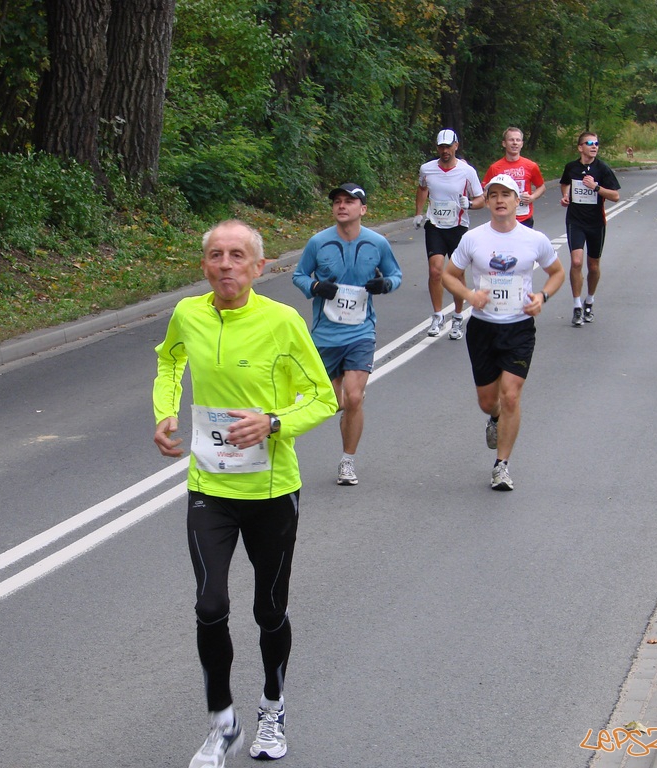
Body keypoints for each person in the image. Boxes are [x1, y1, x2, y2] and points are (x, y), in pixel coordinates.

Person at [153, 220, 337, 768]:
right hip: (210, 485)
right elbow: (169, 359)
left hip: (272, 490)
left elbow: (324, 398)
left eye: (238, 256)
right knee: (209, 604)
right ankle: (221, 722)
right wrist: (166, 411)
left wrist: (274, 422)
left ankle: (273, 708)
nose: (226, 264)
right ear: (204, 265)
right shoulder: (188, 313)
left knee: (269, 609)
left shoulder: (281, 322)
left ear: (260, 268)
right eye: (216, 255)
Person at [442, 174, 564, 491]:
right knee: (488, 401)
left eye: (506, 195)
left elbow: (557, 272)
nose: (499, 200)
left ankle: (501, 465)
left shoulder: (534, 239)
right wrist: (469, 296)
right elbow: (449, 275)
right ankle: (493, 417)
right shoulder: (473, 239)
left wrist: (542, 297)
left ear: (517, 199)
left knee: (511, 395)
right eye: (493, 194)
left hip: (519, 328)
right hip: (482, 327)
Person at [293, 183, 402, 486]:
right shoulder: (318, 242)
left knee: (354, 397)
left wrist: (385, 285)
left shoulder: (377, 242)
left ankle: (347, 461)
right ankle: (343, 409)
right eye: (337, 202)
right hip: (325, 335)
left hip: (360, 332)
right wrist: (314, 287)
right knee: (330, 401)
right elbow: (299, 274)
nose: (342, 206)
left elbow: (395, 275)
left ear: (362, 209)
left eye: (350, 201)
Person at [414, 128, 484, 340]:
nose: (445, 151)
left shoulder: (466, 171)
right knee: (435, 271)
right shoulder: (427, 169)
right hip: (435, 225)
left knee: (456, 274)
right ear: (437, 148)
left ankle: (457, 316)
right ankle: (437, 316)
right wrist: (418, 213)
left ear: (456, 146)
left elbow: (481, 199)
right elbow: (422, 188)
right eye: (441, 147)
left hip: (458, 227)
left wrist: (470, 204)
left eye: (448, 146)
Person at [558, 132, 622, 326]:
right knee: (576, 262)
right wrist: (565, 196)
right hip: (575, 221)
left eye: (596, 144)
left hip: (596, 223)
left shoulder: (602, 169)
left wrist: (596, 187)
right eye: (590, 143)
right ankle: (577, 306)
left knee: (593, 266)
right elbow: (564, 184)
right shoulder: (572, 167)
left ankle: (589, 301)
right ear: (580, 147)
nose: (594, 146)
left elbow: (616, 196)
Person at [483, 126, 547, 228]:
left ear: (522, 144)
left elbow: (541, 186)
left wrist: (532, 197)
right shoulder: (495, 168)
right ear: (504, 143)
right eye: (511, 140)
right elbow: (485, 190)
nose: (515, 143)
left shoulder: (531, 166)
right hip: (503, 218)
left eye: (518, 140)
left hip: (524, 217)